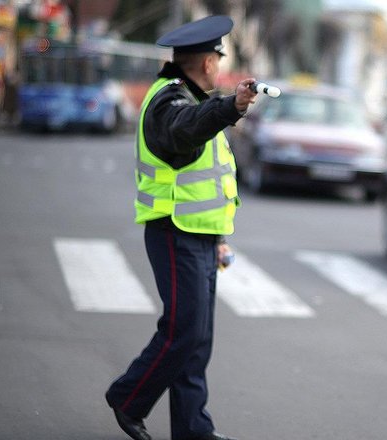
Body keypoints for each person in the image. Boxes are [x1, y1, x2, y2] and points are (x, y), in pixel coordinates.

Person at [105, 15, 258, 440]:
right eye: (216, 57)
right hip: (175, 233)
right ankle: (128, 396)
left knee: (196, 339)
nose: (217, 65)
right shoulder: (168, 102)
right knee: (183, 331)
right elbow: (184, 131)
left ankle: (193, 431)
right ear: (209, 63)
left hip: (201, 234)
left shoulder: (189, 98)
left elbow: (209, 177)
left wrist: (220, 239)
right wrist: (230, 107)